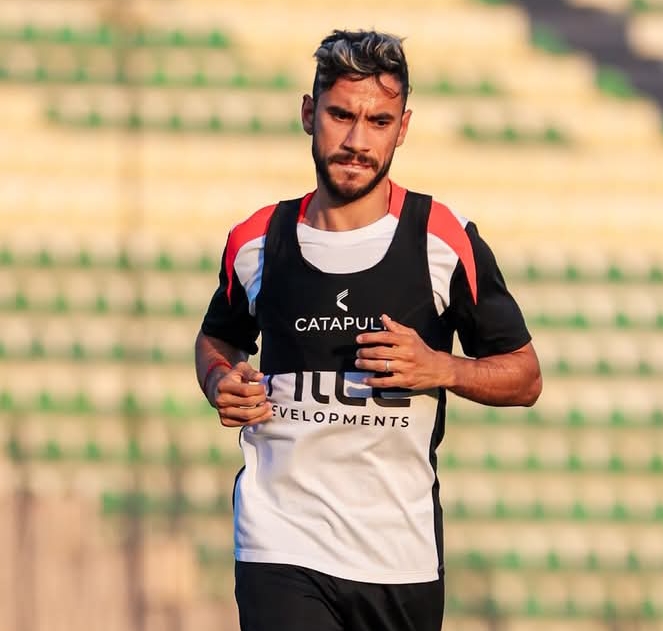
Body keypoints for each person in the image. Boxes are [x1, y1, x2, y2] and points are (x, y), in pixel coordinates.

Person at [193, 29, 542, 631]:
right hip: (279, 542)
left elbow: (525, 376)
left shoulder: (443, 238)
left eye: (378, 122)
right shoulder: (256, 241)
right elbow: (216, 339)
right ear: (309, 114)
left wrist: (442, 368)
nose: (357, 141)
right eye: (341, 116)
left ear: (402, 128)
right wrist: (219, 379)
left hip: (399, 557)